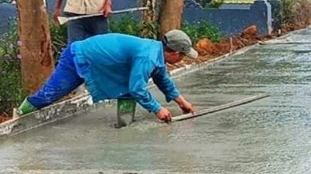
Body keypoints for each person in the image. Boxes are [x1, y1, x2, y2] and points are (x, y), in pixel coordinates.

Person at [16, 30, 198, 122]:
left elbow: (163, 79)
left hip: (99, 63)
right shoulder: (148, 57)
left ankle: (125, 126)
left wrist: (182, 103)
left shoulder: (155, 52)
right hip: (79, 57)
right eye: (183, 54)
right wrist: (158, 109)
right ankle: (19, 116)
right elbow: (138, 89)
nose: (183, 58)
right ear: (173, 52)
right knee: (51, 94)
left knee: (126, 91)